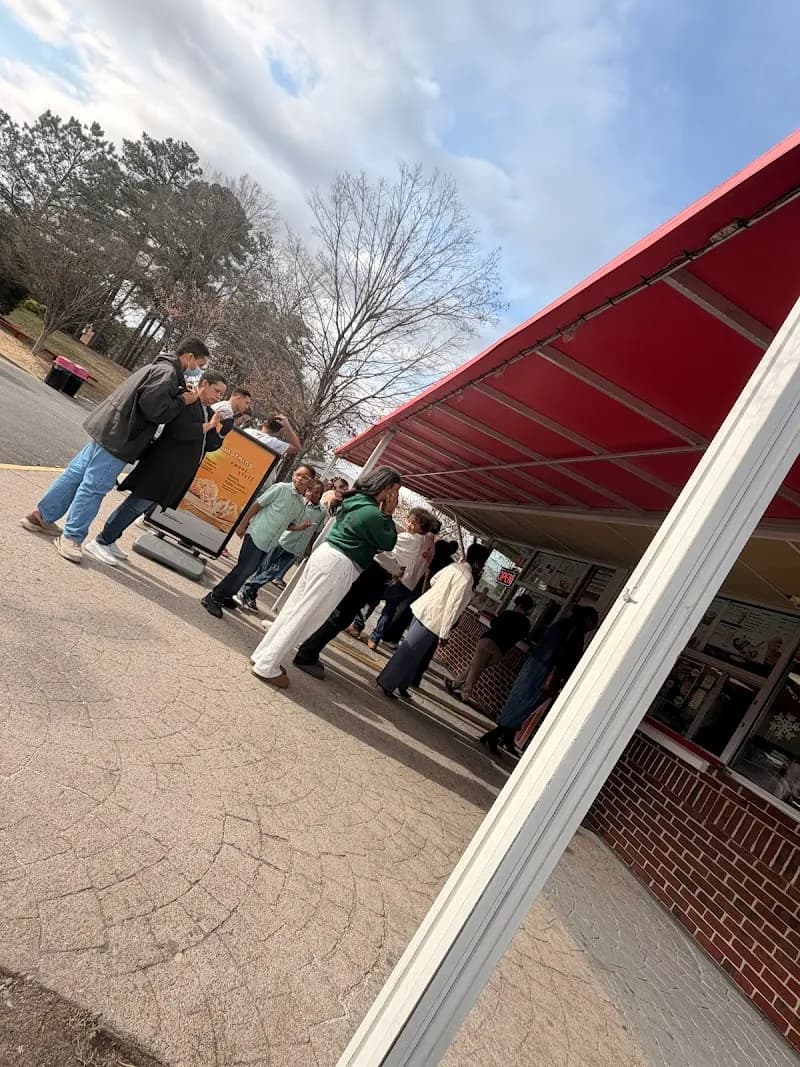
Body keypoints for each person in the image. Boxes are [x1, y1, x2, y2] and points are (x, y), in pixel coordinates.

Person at [21, 338, 209, 563]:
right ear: (189, 357)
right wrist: (182, 401)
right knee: (94, 487)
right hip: (121, 436)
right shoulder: (167, 374)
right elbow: (154, 410)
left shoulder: (160, 366)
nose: (198, 370)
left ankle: (41, 517)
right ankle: (71, 537)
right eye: (200, 364)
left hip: (109, 429)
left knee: (76, 474)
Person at [250, 467, 401, 689]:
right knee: (307, 616)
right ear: (385, 488)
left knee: (295, 610)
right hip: (339, 565)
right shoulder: (372, 513)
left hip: (327, 557)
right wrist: (388, 513)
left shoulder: (356, 500)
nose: (396, 497)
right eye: (395, 491)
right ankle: (267, 665)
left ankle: (263, 655)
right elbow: (388, 542)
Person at [83, 371, 228, 566]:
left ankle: (111, 538)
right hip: (162, 466)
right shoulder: (187, 401)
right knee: (135, 504)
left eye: (221, 394)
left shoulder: (208, 412)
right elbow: (179, 432)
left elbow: (209, 445)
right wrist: (207, 426)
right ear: (204, 384)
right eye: (216, 391)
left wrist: (220, 431)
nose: (218, 397)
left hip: (176, 473)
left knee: (142, 507)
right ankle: (101, 540)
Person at [479, 605, 599, 756]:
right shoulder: (574, 631)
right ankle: (494, 735)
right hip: (545, 670)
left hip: (537, 664)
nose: (593, 627)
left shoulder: (563, 625)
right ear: (587, 619)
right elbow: (565, 655)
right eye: (593, 623)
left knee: (519, 701)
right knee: (525, 704)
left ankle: (506, 736)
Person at [377, 543, 491, 700]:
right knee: (408, 653)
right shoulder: (467, 579)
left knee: (416, 655)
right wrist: (445, 633)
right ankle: (386, 682)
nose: (482, 569)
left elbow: (433, 581)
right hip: (433, 620)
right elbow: (453, 608)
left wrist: (440, 593)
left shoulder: (454, 567)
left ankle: (403, 684)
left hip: (425, 610)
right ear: (478, 563)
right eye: (482, 565)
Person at [200, 464, 316, 617]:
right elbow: (257, 505)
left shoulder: (300, 504)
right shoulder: (281, 488)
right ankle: (214, 597)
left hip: (269, 544)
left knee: (249, 570)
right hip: (257, 534)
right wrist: (242, 525)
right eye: (298, 474)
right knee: (244, 568)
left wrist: (299, 528)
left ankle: (228, 595)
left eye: (305, 477)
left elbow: (288, 524)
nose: (300, 479)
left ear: (310, 482)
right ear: (293, 474)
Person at [235, 480, 326, 610]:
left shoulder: (322, 512)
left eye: (317, 493)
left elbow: (316, 532)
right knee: (264, 568)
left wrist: (309, 550)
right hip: (283, 541)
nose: (312, 494)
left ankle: (248, 588)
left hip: (297, 548)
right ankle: (250, 593)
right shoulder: (299, 503)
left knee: (274, 572)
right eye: (310, 490)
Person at [365, 508, 434, 650]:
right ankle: (375, 638)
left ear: (422, 528)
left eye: (413, 523)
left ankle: (357, 625)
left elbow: (390, 543)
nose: (409, 525)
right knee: (389, 611)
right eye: (409, 521)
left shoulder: (410, 538)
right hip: (410, 584)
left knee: (372, 597)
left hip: (399, 577)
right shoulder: (431, 547)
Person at [446, 593, 534, 702]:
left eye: (516, 605)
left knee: (476, 667)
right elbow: (521, 636)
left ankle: (465, 694)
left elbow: (493, 623)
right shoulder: (526, 625)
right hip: (501, 650)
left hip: (489, 641)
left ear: (519, 605)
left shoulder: (508, 614)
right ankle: (455, 683)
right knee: (476, 666)